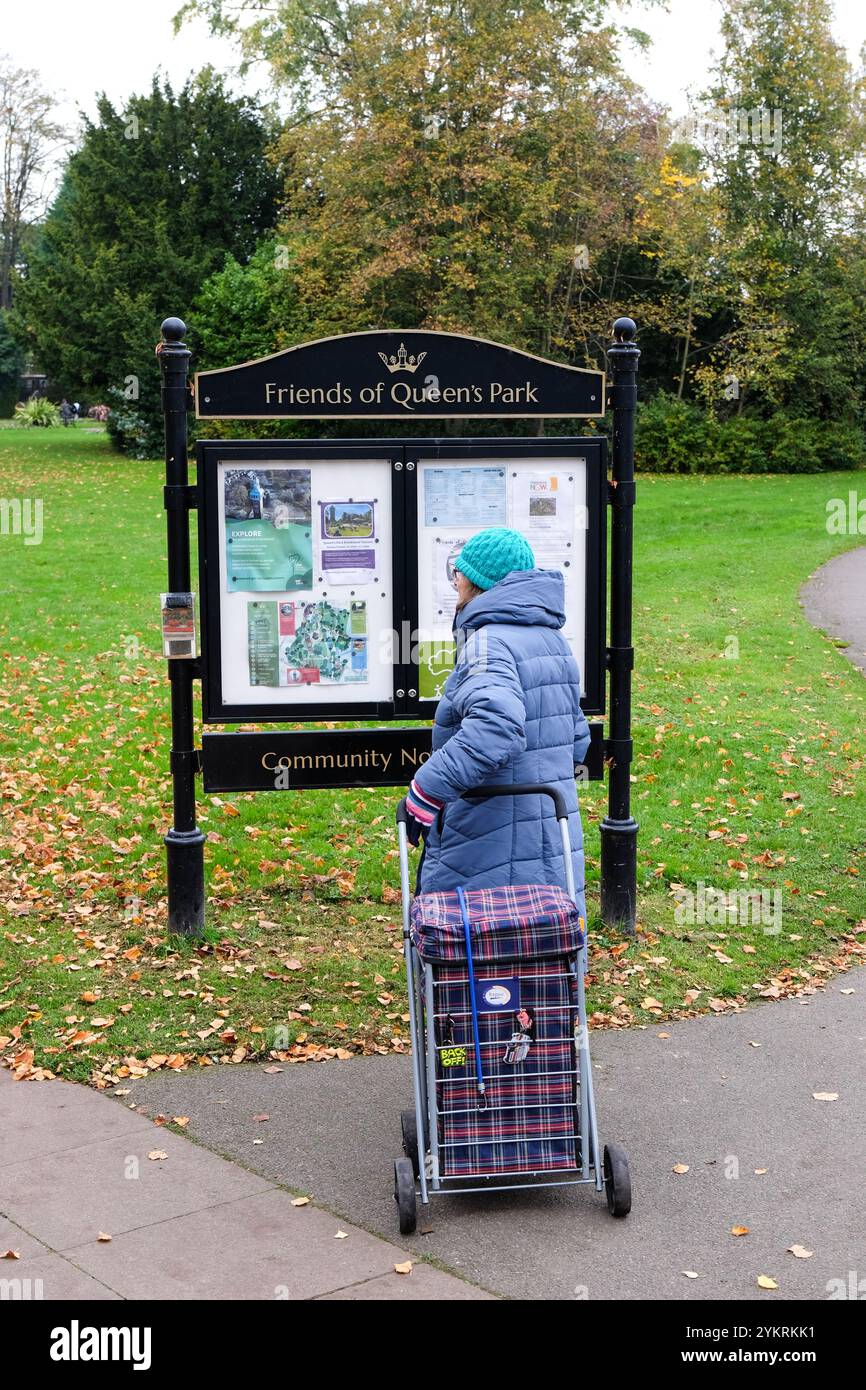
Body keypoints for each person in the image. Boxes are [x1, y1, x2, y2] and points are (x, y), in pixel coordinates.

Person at [404, 527, 591, 920]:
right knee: (542, 944)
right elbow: (577, 737)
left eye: (459, 573)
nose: (455, 581)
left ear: (473, 581)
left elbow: (496, 728)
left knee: (479, 948)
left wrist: (426, 789)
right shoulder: (553, 641)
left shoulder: (489, 643)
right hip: (550, 827)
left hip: (486, 830)